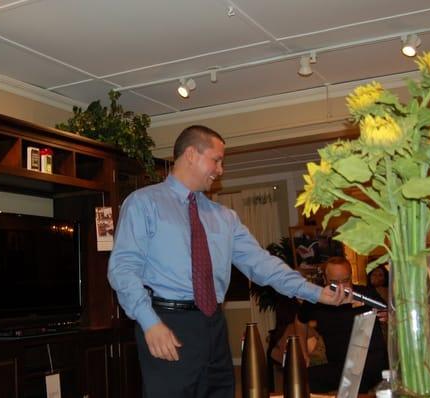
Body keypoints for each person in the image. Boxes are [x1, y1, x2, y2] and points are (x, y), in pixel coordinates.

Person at [107, 125, 350, 398]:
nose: (221, 169)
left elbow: (262, 264)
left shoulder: (224, 217)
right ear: (190, 154)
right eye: (216, 159)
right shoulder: (143, 203)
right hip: (167, 323)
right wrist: (149, 323)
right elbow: (123, 269)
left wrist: (317, 293)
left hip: (214, 325)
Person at [295, 256, 388, 393]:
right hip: (340, 367)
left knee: (354, 381)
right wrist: (303, 353)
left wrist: (389, 316)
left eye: (345, 281)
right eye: (335, 282)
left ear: (351, 277)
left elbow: (393, 315)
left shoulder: (366, 294)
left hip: (371, 365)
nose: (341, 287)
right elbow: (299, 322)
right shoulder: (318, 299)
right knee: (301, 378)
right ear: (326, 280)